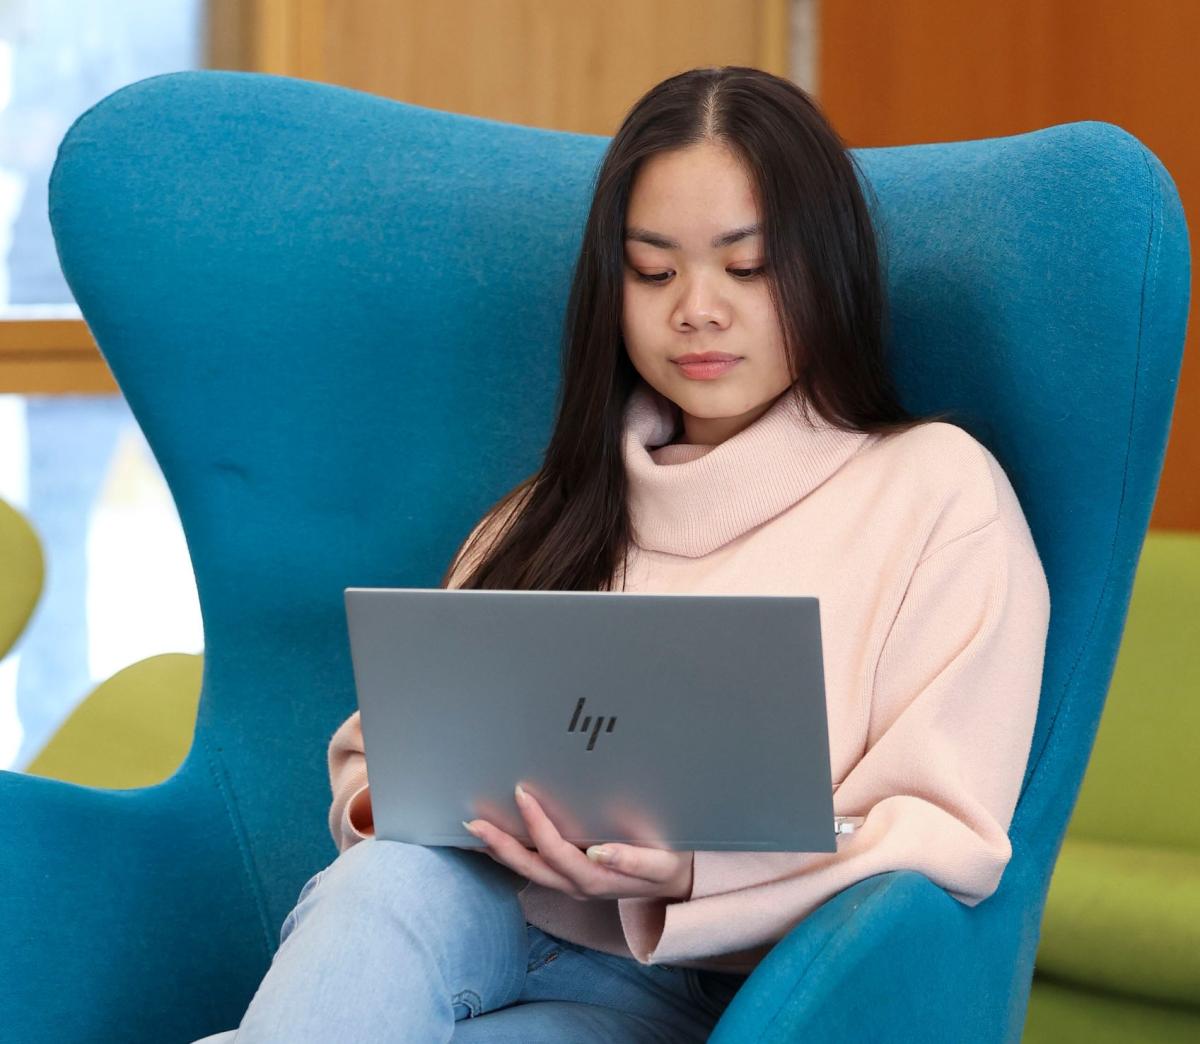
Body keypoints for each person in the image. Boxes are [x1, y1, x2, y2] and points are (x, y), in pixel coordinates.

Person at [208, 63, 1051, 1043]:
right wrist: (413, 800)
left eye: (747, 267)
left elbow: (947, 833)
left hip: (709, 988)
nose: (696, 308)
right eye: (653, 270)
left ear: (831, 270)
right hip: (472, 910)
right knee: (391, 869)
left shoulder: (934, 492)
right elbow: (377, 744)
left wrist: (693, 870)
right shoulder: (546, 512)